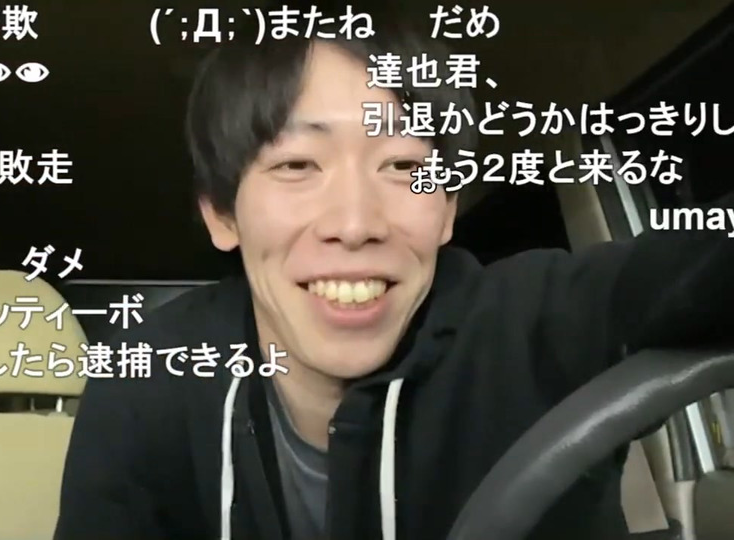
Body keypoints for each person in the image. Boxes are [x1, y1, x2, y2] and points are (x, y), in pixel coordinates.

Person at [54, 15, 733, 540]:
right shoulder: (149, 380)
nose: (355, 224)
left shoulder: (538, 318)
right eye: (297, 166)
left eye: (405, 167)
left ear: (446, 209)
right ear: (222, 214)